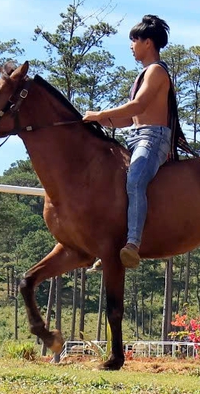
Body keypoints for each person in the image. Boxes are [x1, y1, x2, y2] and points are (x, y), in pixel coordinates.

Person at [82, 14, 191, 270]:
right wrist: (99, 123)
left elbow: (138, 105)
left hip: (153, 138)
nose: (131, 45)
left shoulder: (155, 71)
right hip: (137, 136)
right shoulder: (143, 75)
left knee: (135, 180)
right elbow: (131, 118)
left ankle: (132, 244)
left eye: (134, 40)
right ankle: (112, 243)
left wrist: (100, 114)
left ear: (148, 43)